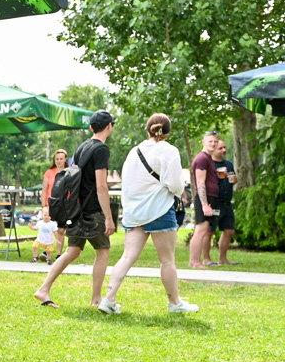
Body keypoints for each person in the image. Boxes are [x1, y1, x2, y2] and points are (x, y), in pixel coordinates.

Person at [96, 114, 198, 315]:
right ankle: (174, 302)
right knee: (167, 260)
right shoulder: (169, 151)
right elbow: (176, 185)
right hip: (160, 209)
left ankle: (109, 299)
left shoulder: (134, 151)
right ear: (167, 132)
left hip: (135, 211)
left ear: (148, 129)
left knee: (127, 257)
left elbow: (128, 183)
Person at [33, 111, 115, 310]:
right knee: (103, 250)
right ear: (109, 127)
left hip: (76, 209)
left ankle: (43, 289)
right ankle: (96, 299)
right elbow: (101, 186)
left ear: (91, 128)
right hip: (93, 210)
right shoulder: (101, 149)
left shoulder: (81, 147)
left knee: (73, 251)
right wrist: (108, 217)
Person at [188, 131, 220, 269]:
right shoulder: (202, 159)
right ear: (203, 142)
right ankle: (195, 261)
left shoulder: (208, 158)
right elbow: (200, 183)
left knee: (205, 229)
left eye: (215, 142)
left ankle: (196, 261)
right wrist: (205, 204)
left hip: (211, 197)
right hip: (205, 199)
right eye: (210, 141)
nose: (213, 144)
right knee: (200, 230)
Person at [212, 140, 239, 265]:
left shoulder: (228, 164)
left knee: (229, 230)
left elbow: (233, 178)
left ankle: (223, 258)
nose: (224, 150)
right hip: (215, 201)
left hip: (227, 202)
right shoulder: (210, 164)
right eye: (220, 148)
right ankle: (206, 259)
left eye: (224, 147)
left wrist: (235, 180)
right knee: (209, 231)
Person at [40, 149, 69, 258]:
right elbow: (44, 190)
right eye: (57, 159)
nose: (59, 161)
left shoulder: (69, 172)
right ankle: (46, 251)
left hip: (63, 205)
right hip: (50, 204)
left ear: (65, 159)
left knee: (61, 230)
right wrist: (43, 206)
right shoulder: (49, 172)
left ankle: (58, 254)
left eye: (61, 159)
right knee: (48, 228)